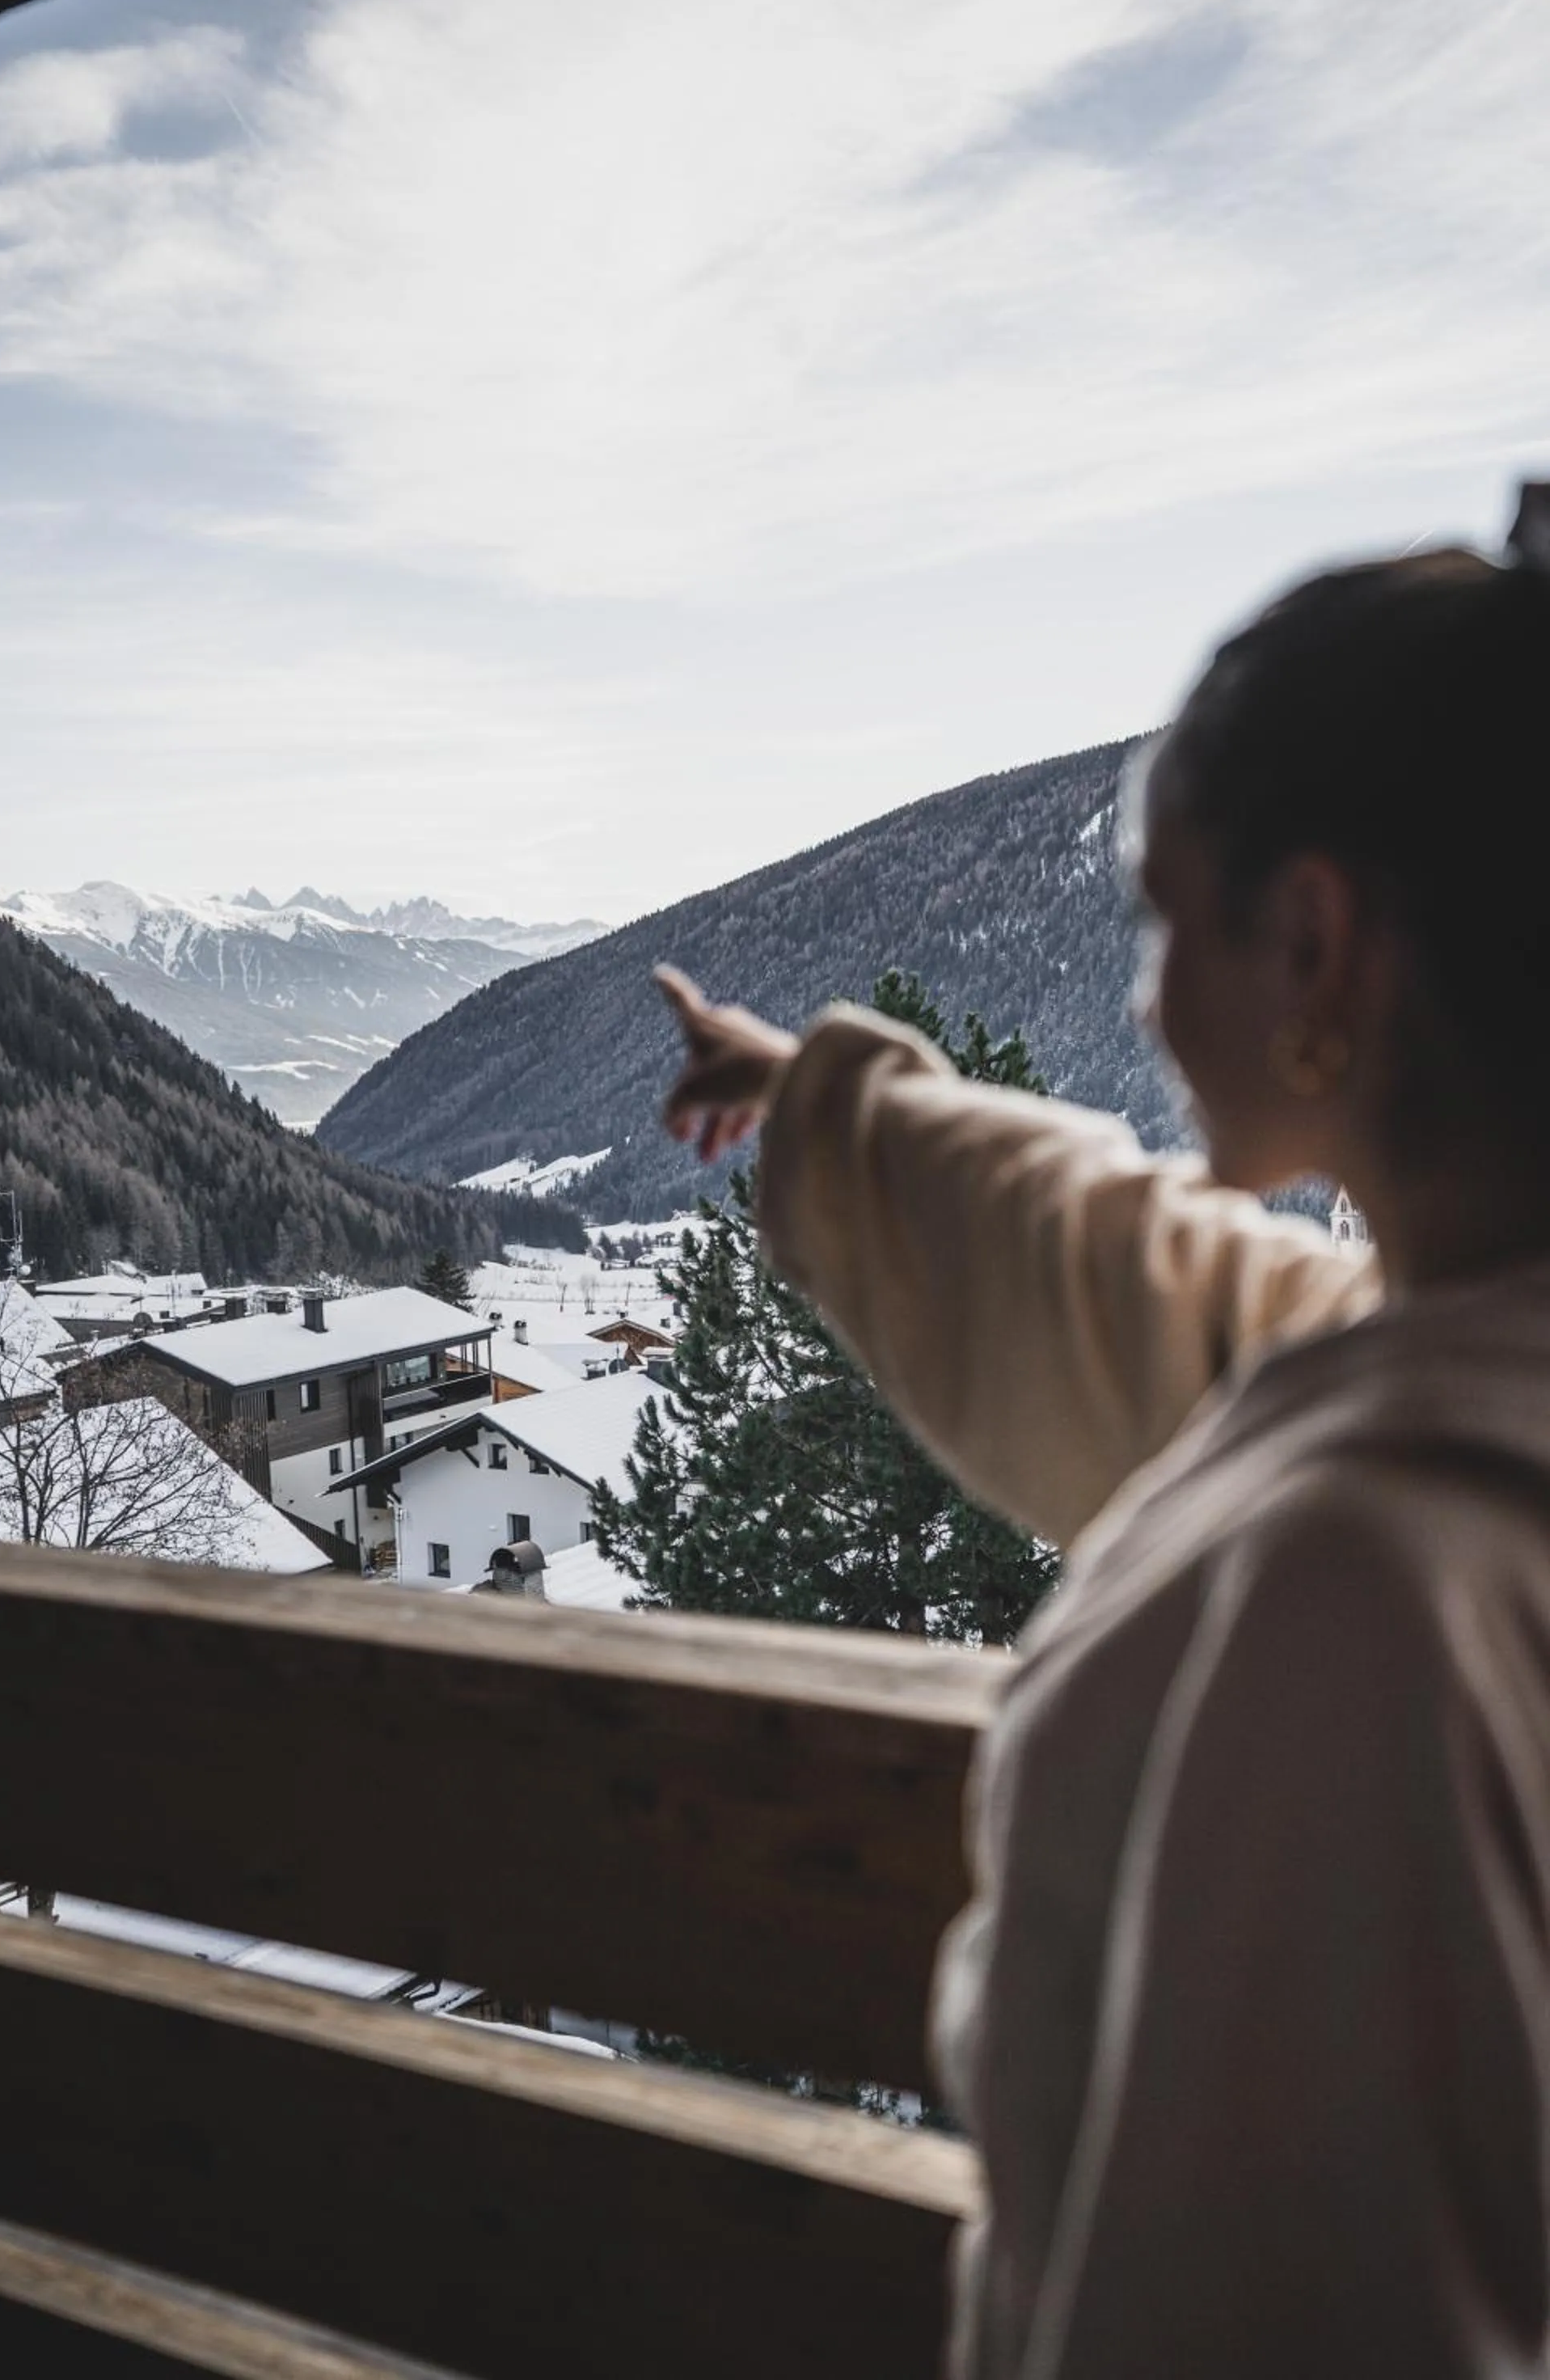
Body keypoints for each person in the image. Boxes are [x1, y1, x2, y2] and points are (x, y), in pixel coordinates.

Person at [655, 484, 1550, 2379]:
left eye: (1161, 928)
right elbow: (1168, 1297)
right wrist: (833, 1104)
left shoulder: (1365, 1599)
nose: (1140, 1001)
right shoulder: (1450, 1375)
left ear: (1311, 944)